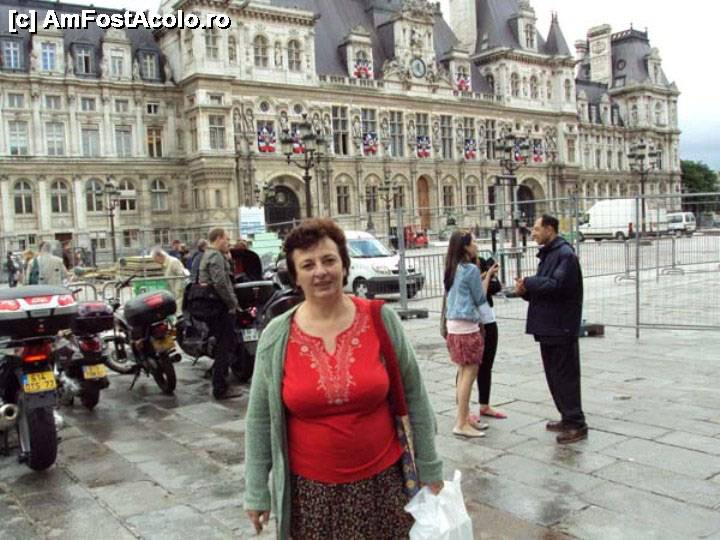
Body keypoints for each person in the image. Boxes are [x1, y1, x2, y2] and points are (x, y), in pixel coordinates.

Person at [244, 218, 443, 539]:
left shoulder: (381, 320)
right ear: (295, 276)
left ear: (344, 265)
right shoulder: (276, 335)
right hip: (310, 497)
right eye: (308, 264)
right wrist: (256, 490)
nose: (320, 271)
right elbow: (258, 420)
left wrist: (430, 467)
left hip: (384, 489)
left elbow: (415, 396)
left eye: (329, 260)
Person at [515, 215, 588, 444]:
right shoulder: (549, 253)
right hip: (548, 326)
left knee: (566, 376)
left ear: (549, 229)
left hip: (561, 326)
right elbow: (545, 290)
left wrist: (529, 282)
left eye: (536, 229)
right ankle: (566, 417)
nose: (533, 234)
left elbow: (557, 285)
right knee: (554, 376)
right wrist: (525, 292)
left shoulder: (565, 254)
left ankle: (576, 422)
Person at [444, 230, 496, 438]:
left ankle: (464, 418)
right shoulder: (470, 269)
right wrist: (488, 276)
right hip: (467, 326)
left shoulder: (452, 268)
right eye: (473, 242)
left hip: (453, 326)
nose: (476, 245)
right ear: (465, 247)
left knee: (462, 372)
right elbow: (480, 297)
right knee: (469, 374)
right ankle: (461, 423)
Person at [198, 228, 242, 400]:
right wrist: (232, 303)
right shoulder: (215, 256)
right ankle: (220, 387)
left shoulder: (210, 254)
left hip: (214, 306)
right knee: (226, 345)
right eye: (226, 239)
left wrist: (229, 260)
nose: (228, 242)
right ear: (218, 239)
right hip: (220, 307)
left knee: (224, 344)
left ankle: (217, 376)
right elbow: (221, 283)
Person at [470, 254, 507, 423]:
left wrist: (490, 275)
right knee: (467, 368)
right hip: (472, 324)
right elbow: (479, 295)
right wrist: (485, 277)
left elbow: (495, 287)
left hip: (489, 321)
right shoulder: (462, 270)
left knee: (486, 365)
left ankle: (484, 404)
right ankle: (463, 409)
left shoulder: (481, 262)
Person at [151, 247, 189, 312]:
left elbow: (181, 276)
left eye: (155, 259)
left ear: (160, 256)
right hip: (172, 289)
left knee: (178, 304)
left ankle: (178, 315)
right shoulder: (165, 264)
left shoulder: (173, 262)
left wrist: (178, 290)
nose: (155, 262)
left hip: (178, 289)